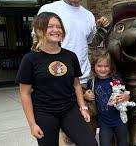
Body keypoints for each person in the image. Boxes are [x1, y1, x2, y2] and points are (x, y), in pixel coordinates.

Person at [37, 0, 109, 144]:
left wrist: (100, 29)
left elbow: (91, 44)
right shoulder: (49, 10)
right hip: (58, 82)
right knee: (64, 135)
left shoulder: (88, 16)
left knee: (88, 130)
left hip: (82, 81)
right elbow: (38, 44)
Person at [16, 12, 98, 146]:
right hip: (44, 113)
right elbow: (25, 94)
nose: (56, 30)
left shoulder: (70, 56)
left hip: (69, 109)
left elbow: (76, 84)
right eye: (50, 26)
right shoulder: (30, 59)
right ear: (39, 30)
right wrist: (32, 124)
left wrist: (83, 107)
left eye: (59, 26)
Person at [84, 48, 130, 146]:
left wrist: (126, 96)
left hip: (120, 121)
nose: (103, 69)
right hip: (104, 123)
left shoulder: (116, 80)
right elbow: (87, 95)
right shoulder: (91, 82)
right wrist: (85, 96)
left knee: (123, 143)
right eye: (99, 66)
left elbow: (126, 95)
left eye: (106, 66)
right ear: (93, 66)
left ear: (111, 67)